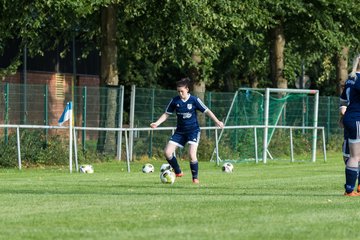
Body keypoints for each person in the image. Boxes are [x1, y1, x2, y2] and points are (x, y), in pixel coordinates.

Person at [150, 77, 224, 184]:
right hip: (180, 132)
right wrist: (156, 123)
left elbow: (207, 111)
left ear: (187, 89)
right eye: (178, 91)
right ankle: (178, 171)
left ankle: (195, 178)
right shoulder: (175, 101)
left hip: (193, 131)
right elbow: (166, 114)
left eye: (182, 91)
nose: (180, 93)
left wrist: (217, 121)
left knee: (191, 154)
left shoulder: (194, 100)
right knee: (167, 152)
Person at [342, 54, 360, 196]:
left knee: (355, 155)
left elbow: (343, 100)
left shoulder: (351, 79)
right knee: (355, 156)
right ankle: (349, 190)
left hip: (350, 117)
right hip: (357, 119)